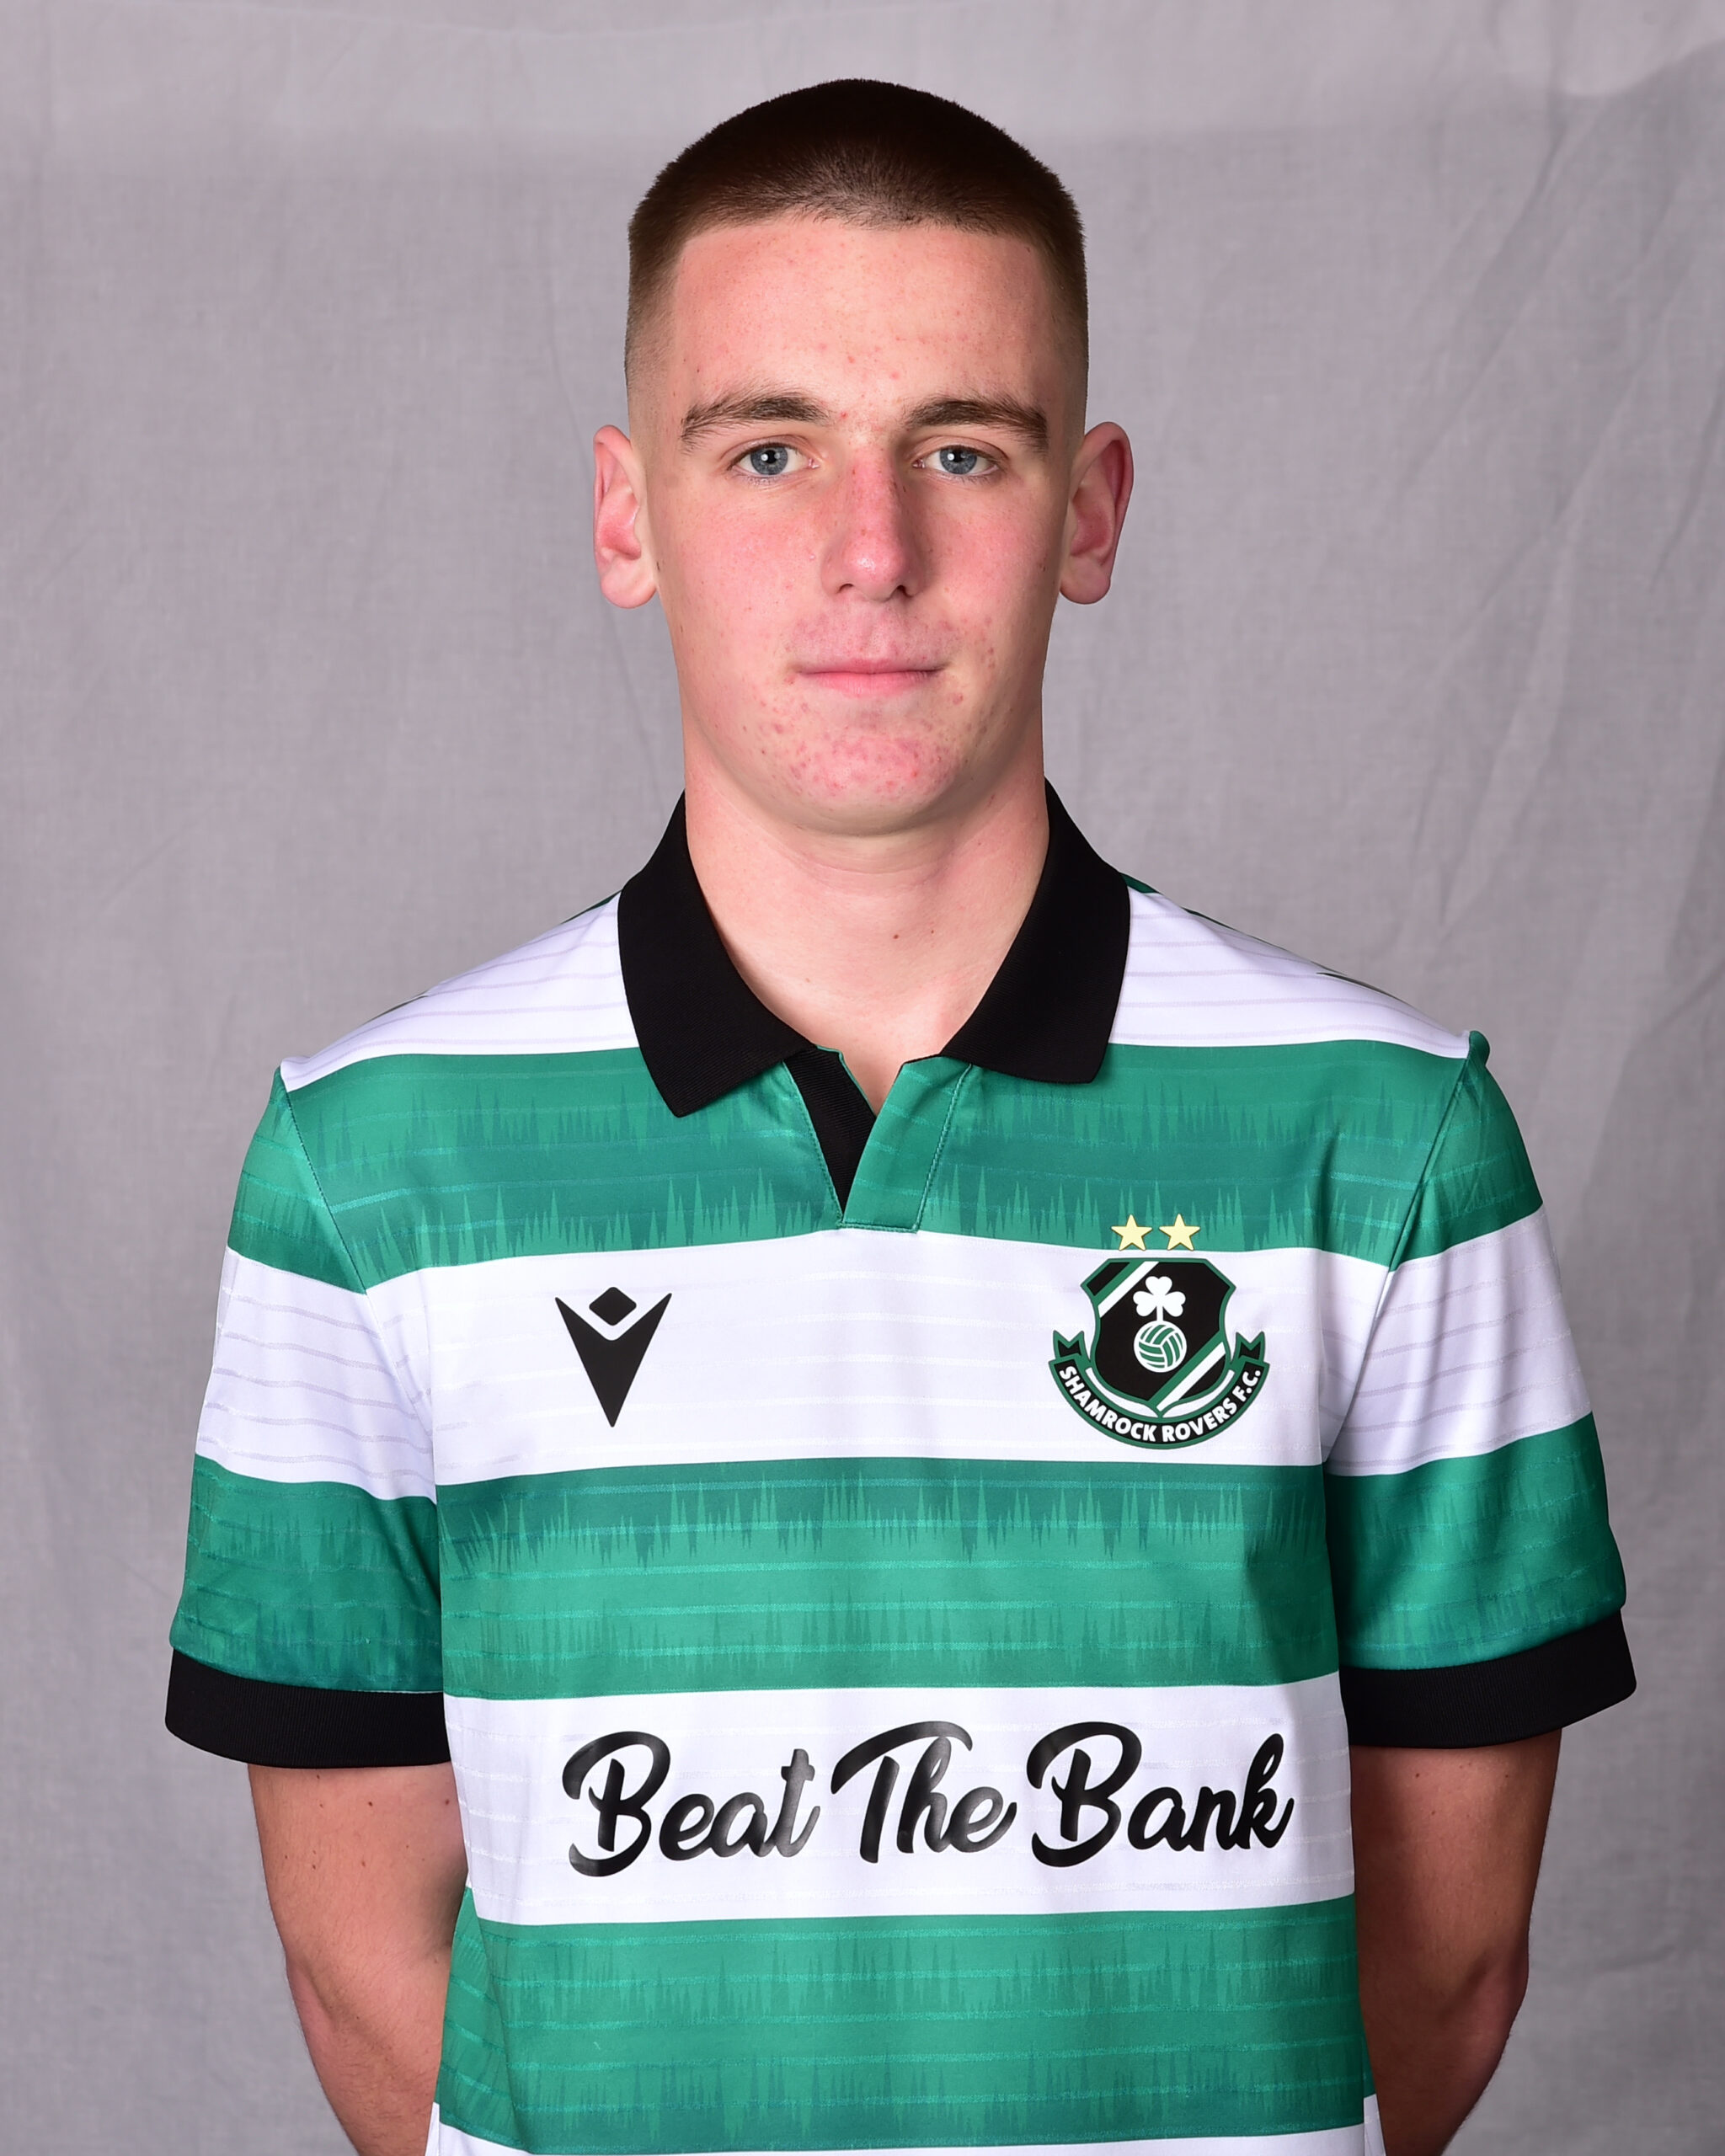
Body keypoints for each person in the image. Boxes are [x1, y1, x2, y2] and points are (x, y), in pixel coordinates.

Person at [166, 78, 1633, 2156]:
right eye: (767, 450)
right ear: (625, 514)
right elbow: (368, 1959)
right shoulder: (363, 1163)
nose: (874, 550)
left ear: (1091, 509)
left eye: (965, 448)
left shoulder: (1388, 1143)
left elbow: (1448, 1958)